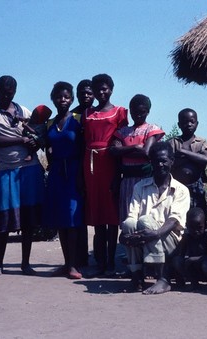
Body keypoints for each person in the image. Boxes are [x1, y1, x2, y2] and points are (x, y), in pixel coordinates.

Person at [0, 75, 45, 276]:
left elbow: (36, 134)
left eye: (10, 91)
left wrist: (33, 141)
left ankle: (25, 264)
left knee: (28, 219)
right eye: (2, 91)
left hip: (30, 169)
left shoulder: (24, 111)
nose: (6, 95)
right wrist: (22, 139)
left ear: (15, 91)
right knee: (4, 218)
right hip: (8, 170)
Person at [120, 141, 190, 294]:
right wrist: (125, 233)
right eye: (156, 161)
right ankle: (137, 277)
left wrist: (156, 233)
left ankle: (163, 279)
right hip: (146, 235)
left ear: (172, 161)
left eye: (164, 160)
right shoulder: (140, 186)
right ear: (150, 162)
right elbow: (132, 215)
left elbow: (174, 220)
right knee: (129, 224)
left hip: (171, 242)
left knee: (145, 221)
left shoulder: (181, 190)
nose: (160, 164)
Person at [82, 74, 128, 277]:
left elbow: (121, 142)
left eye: (105, 88)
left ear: (112, 89)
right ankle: (100, 262)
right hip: (90, 166)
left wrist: (117, 174)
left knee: (111, 217)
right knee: (98, 216)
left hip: (110, 164)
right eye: (98, 89)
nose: (102, 92)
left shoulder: (120, 112)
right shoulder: (87, 113)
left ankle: (111, 261)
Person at [44, 81, 84, 279]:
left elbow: (83, 147)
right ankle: (66, 263)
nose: (63, 100)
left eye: (66, 96)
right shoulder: (50, 123)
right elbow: (47, 145)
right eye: (59, 97)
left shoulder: (78, 119)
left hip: (74, 171)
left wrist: (80, 175)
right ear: (53, 99)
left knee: (73, 218)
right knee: (61, 219)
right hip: (57, 173)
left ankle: (74, 265)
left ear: (72, 99)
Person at [110, 94, 165, 222]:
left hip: (145, 180)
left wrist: (123, 151)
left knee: (143, 216)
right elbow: (113, 150)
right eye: (135, 112)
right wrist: (135, 147)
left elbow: (146, 152)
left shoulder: (151, 129)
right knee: (127, 217)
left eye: (142, 112)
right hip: (127, 181)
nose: (138, 115)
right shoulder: (123, 131)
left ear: (148, 112)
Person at [69, 79, 94, 268]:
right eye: (82, 92)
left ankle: (99, 256)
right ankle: (80, 257)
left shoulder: (98, 113)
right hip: (75, 166)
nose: (86, 96)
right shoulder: (72, 116)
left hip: (97, 167)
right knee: (78, 212)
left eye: (89, 92)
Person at [168, 108, 207, 212]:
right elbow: (170, 162)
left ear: (197, 123)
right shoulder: (173, 142)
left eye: (192, 121)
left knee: (197, 211)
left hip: (197, 185)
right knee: (177, 211)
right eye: (185, 122)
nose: (189, 124)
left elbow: (205, 158)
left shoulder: (201, 142)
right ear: (179, 124)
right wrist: (194, 158)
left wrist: (183, 152)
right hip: (176, 185)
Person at [172, 207, 207, 290]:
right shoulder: (187, 237)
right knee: (177, 260)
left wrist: (192, 259)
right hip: (194, 269)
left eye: (199, 228)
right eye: (192, 228)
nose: (196, 231)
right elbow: (181, 256)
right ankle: (193, 282)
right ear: (186, 225)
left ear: (205, 224)